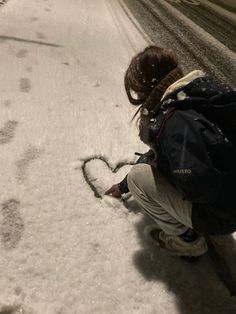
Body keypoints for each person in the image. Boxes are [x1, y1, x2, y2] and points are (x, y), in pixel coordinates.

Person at [105, 45, 236, 259]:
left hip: (221, 212)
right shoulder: (191, 96)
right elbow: (175, 154)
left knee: (140, 177)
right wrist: (124, 184)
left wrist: (166, 171)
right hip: (229, 199)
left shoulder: (174, 120)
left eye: (138, 89)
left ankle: (187, 242)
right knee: (142, 171)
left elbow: (197, 184)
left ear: (148, 86)